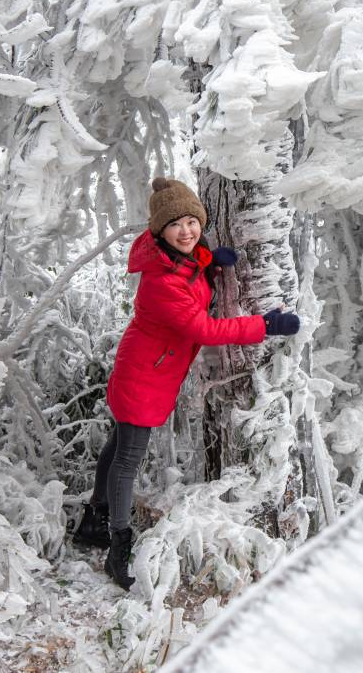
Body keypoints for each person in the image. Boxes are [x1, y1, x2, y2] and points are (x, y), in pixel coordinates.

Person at [73, 176, 300, 590]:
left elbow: (189, 268)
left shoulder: (176, 258)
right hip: (144, 376)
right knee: (127, 458)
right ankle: (117, 547)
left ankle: (94, 520)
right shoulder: (161, 282)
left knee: (116, 446)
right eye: (175, 224)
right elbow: (204, 329)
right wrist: (265, 324)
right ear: (159, 230)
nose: (186, 231)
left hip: (146, 368)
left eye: (192, 221)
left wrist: (209, 259)